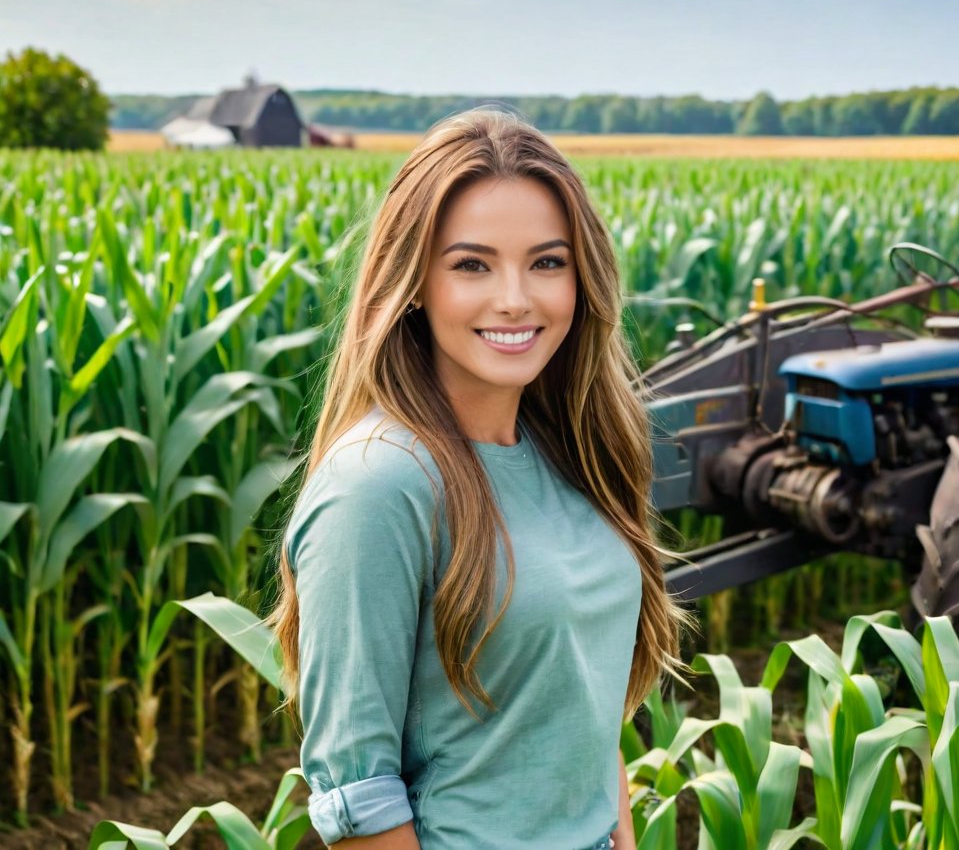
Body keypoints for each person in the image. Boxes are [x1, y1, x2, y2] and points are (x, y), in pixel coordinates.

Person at [269, 109, 692, 849]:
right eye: (472, 264)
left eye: (547, 262)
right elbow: (357, 796)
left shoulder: (574, 452)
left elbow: (584, 728)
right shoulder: (377, 486)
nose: (515, 298)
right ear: (411, 284)